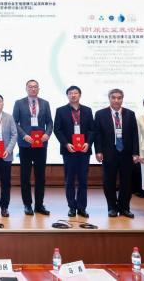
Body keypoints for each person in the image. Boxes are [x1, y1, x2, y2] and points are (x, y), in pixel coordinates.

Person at [94, 88, 140, 218]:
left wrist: (135, 152)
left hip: (126, 153)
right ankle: (112, 208)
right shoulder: (100, 114)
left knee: (127, 181)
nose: (116, 100)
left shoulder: (130, 114)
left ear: (122, 99)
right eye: (113, 97)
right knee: (109, 181)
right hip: (109, 152)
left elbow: (135, 134)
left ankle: (125, 208)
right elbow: (97, 134)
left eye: (119, 98)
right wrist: (98, 151)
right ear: (109, 99)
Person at [12, 79, 53, 216]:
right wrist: (24, 135)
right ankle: (27, 204)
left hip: (41, 144)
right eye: (30, 87)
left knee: (40, 176)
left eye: (35, 87)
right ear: (26, 89)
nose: (33, 89)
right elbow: (14, 122)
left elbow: (50, 123)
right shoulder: (19, 103)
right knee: (25, 176)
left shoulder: (45, 103)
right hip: (25, 144)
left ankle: (39, 205)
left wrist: (47, 134)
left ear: (38, 89)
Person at [54, 85, 94, 218]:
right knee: (69, 180)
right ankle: (72, 206)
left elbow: (92, 129)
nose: (73, 95)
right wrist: (66, 144)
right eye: (70, 93)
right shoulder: (60, 111)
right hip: (69, 150)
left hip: (84, 150)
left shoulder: (87, 110)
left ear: (80, 95)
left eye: (75, 93)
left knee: (83, 180)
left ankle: (82, 208)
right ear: (67, 95)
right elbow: (57, 129)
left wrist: (88, 143)